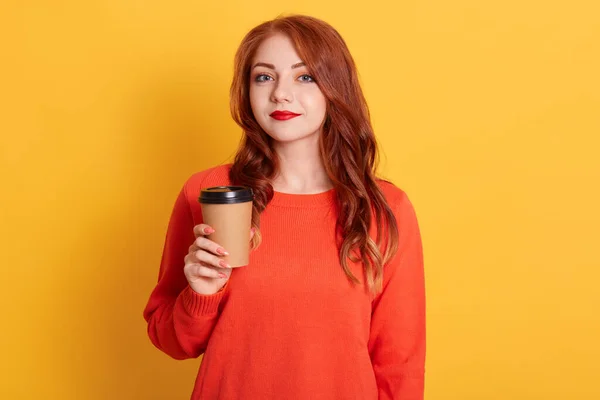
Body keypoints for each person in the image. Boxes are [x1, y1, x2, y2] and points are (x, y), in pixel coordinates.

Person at [143, 14, 425, 400]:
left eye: (304, 76)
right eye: (264, 76)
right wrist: (201, 293)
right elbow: (173, 341)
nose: (280, 93)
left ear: (334, 87)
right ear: (247, 90)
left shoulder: (385, 208)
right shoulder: (209, 191)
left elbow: (400, 364)